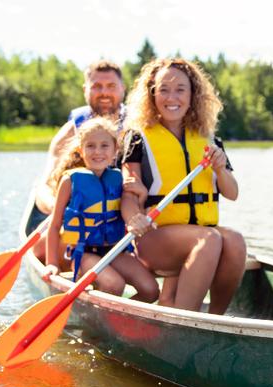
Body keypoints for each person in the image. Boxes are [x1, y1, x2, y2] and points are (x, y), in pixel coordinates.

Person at [121, 57, 246, 314]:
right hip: (155, 237)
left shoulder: (209, 140)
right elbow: (129, 192)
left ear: (192, 95)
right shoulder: (138, 138)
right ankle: (186, 320)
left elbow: (232, 193)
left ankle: (216, 319)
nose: (171, 97)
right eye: (163, 89)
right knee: (209, 238)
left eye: (180, 89)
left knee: (234, 241)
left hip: (200, 236)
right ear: (152, 93)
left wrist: (220, 169)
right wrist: (134, 218)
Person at [45, 117, 158, 301]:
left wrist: (143, 196)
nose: (97, 152)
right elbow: (55, 224)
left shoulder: (119, 179)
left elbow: (135, 215)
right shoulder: (69, 181)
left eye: (104, 146)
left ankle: (121, 321)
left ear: (115, 151)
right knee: (115, 284)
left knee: (151, 290)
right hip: (84, 253)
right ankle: (102, 322)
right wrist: (52, 263)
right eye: (90, 146)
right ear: (81, 151)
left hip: (116, 250)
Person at [32, 59, 126, 261]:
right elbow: (43, 190)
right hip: (81, 224)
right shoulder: (71, 131)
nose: (104, 93)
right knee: (39, 249)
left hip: (123, 221)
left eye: (111, 86)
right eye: (96, 86)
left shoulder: (137, 126)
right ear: (85, 90)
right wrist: (63, 211)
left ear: (123, 89)